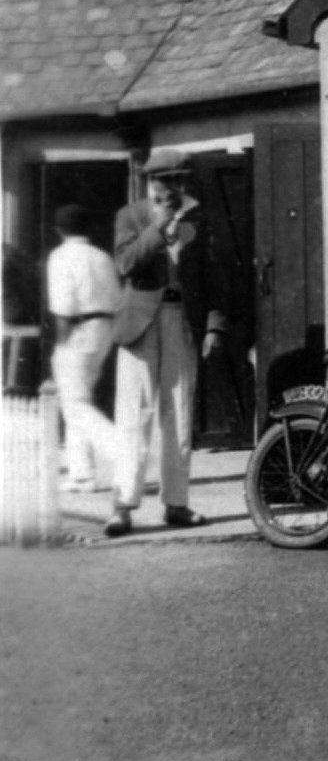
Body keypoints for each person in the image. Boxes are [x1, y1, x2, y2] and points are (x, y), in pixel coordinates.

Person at [106, 149, 227, 537]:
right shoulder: (131, 216)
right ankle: (122, 506)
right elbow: (126, 265)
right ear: (149, 182)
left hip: (182, 319)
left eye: (178, 180)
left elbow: (213, 275)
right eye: (163, 181)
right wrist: (157, 227)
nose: (172, 189)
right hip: (140, 321)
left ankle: (176, 504)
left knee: (179, 413)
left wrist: (214, 326)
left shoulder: (200, 218)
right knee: (134, 414)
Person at [45, 205, 121, 492]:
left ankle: (124, 455)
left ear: (59, 230)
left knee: (75, 403)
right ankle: (82, 474)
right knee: (78, 399)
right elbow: (116, 297)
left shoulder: (61, 257)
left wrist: (61, 346)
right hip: (105, 329)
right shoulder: (102, 257)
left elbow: (63, 307)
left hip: (77, 330)